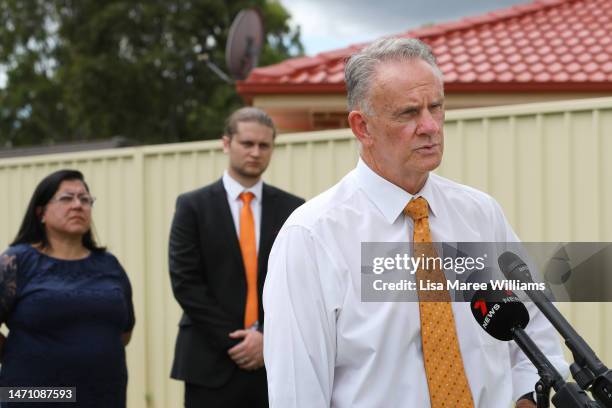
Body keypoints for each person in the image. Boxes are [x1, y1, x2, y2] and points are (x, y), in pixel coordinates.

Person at [263, 38, 568, 408]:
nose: (429, 126)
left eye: (435, 107)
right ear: (362, 127)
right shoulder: (311, 236)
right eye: (408, 113)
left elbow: (537, 323)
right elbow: (298, 392)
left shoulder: (481, 214)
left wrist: (527, 397)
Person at [168, 107, 305, 408]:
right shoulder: (192, 206)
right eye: (247, 143)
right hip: (209, 360)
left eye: (264, 145)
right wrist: (238, 342)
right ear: (226, 143)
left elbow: (299, 282)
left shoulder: (294, 209)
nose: (256, 152)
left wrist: (267, 338)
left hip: (275, 361)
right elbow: (185, 282)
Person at [0, 169, 135, 407]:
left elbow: (124, 332)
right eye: (66, 198)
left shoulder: (109, 265)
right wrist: (22, 357)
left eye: (85, 199)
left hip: (103, 396)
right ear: (41, 212)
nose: (78, 205)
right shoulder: (16, 261)